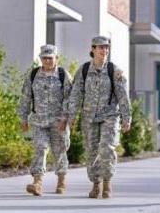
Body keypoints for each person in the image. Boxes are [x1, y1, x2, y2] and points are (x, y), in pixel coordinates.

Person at [68, 36, 131, 199]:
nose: (104, 50)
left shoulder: (114, 70)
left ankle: (107, 184)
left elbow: (123, 96)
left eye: (106, 48)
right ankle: (96, 184)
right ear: (93, 49)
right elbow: (75, 94)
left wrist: (126, 118)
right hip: (89, 117)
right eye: (101, 47)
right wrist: (72, 115)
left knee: (106, 148)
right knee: (91, 151)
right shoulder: (83, 70)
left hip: (110, 116)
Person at [18, 44, 72, 196]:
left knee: (60, 151)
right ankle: (38, 183)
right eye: (44, 58)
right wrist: (23, 118)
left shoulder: (63, 75)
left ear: (57, 58)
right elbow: (25, 98)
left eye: (50, 58)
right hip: (38, 121)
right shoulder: (33, 75)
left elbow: (70, 99)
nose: (47, 61)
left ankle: (61, 180)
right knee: (40, 148)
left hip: (58, 122)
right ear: (40, 59)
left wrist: (65, 118)